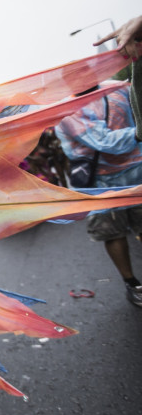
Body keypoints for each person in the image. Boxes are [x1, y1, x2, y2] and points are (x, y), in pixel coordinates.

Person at [55, 82, 142, 306]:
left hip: (138, 175)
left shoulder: (121, 87)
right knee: (113, 233)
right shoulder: (68, 110)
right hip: (101, 185)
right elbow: (105, 142)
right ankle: (133, 284)